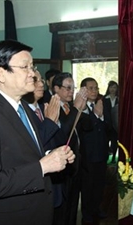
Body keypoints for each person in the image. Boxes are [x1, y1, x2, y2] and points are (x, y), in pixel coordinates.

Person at [0, 40, 75, 225]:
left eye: (32, 66)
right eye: (25, 67)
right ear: (1, 73)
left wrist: (51, 155)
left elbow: (23, 153)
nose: (33, 74)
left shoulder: (23, 106)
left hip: (37, 212)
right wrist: (42, 167)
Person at [51, 72, 87, 225]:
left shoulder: (71, 107)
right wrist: (75, 109)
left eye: (73, 88)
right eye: (67, 88)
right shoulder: (52, 108)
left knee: (73, 204)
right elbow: (63, 132)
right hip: (62, 167)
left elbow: (88, 126)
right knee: (62, 208)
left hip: (76, 163)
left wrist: (82, 109)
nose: (71, 91)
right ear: (56, 89)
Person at [79, 77, 109, 224]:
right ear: (83, 90)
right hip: (87, 155)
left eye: (96, 88)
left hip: (101, 153)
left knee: (99, 184)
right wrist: (97, 115)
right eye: (91, 88)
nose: (94, 91)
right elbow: (87, 127)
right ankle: (87, 213)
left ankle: (97, 208)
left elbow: (109, 129)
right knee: (87, 187)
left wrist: (101, 116)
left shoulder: (102, 104)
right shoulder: (80, 107)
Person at [103, 81, 119, 163]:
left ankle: (113, 158)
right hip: (106, 124)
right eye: (111, 87)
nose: (112, 89)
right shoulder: (104, 99)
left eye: (114, 87)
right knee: (105, 141)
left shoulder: (119, 99)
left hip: (116, 124)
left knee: (114, 141)